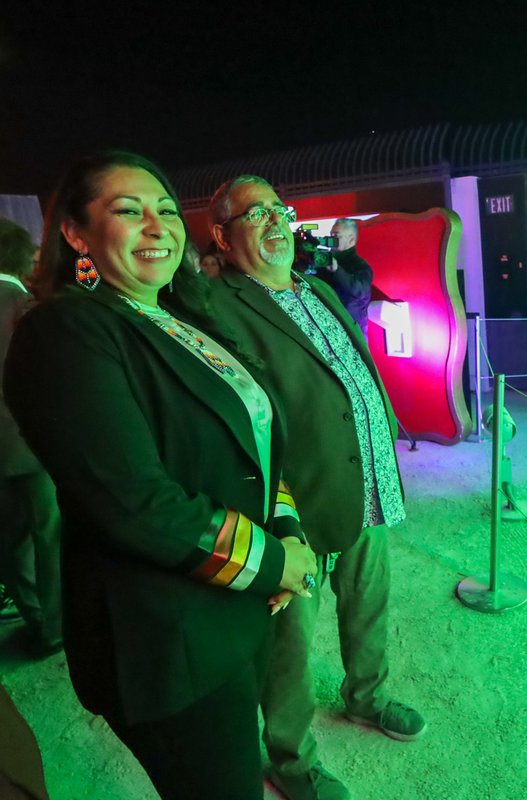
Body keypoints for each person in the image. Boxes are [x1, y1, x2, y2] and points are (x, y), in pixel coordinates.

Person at [3, 151, 319, 800]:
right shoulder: (64, 331)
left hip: (235, 610)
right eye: (128, 210)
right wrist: (272, 562)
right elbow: (136, 504)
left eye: (168, 209)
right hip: (167, 643)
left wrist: (287, 528)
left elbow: (254, 448)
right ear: (74, 232)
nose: (158, 225)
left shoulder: (187, 319)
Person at [208, 176, 423, 800]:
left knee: (369, 602)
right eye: (255, 214)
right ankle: (290, 759)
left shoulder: (317, 288)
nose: (275, 222)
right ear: (222, 235)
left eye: (281, 210)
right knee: (290, 643)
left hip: (369, 483)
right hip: (294, 505)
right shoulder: (215, 305)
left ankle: (367, 696)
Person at [0, 217, 62, 657]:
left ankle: (34, 613)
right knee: (51, 538)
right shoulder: (31, 308)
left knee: (9, 541)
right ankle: (55, 629)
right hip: (38, 447)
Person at [314, 218, 372, 333]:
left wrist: (336, 270)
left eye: (336, 236)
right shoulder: (324, 261)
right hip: (326, 327)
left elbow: (359, 290)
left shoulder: (360, 266)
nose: (331, 239)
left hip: (350, 332)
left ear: (351, 240)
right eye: (331, 235)